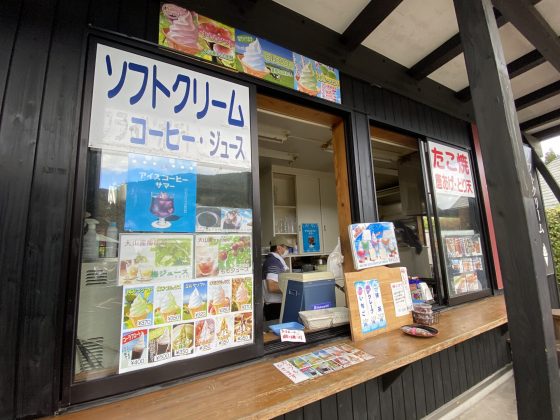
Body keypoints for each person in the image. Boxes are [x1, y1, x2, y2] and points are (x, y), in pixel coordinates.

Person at [262, 237, 289, 321]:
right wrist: (291, 290)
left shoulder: (274, 260)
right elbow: (272, 286)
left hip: (275, 305)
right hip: (274, 307)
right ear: (278, 247)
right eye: (286, 247)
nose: (287, 250)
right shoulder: (273, 262)